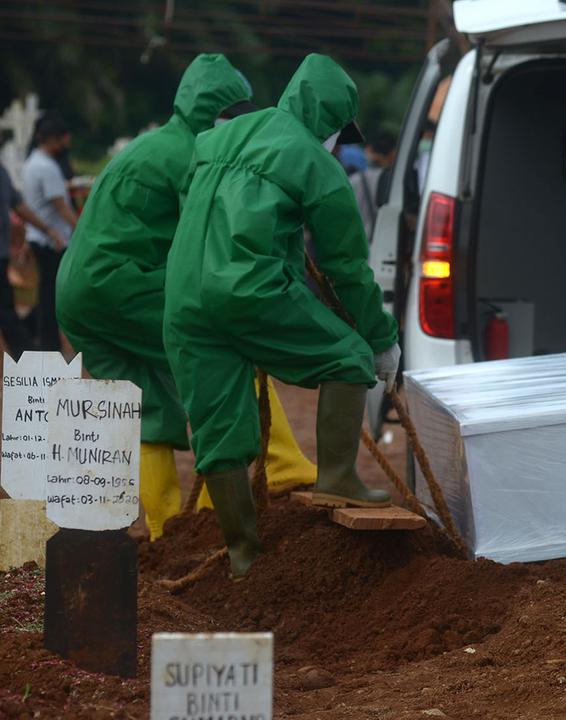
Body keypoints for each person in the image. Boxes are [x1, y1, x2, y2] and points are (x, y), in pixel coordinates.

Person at [56, 54, 321, 541]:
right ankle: (275, 468)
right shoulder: (195, 154)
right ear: (219, 112)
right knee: (226, 349)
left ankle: (166, 534)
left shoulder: (154, 144)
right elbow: (214, 242)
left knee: (147, 406)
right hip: (124, 284)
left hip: (78, 294)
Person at [164, 54, 400, 578]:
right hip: (247, 290)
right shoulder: (319, 165)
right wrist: (381, 339)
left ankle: (245, 556)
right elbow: (347, 268)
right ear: (333, 123)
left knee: (218, 426)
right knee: (349, 358)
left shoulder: (219, 136)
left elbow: (207, 208)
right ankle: (338, 477)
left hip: (182, 297)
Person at [21, 114, 76, 352]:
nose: (66, 144)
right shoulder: (47, 167)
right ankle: (48, 344)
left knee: (46, 291)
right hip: (53, 239)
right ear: (53, 139)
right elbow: (60, 207)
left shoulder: (33, 163)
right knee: (52, 296)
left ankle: (43, 339)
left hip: (39, 237)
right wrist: (82, 230)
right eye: (64, 139)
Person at [0, 165, 62, 356]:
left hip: (1, 254)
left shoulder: (2, 171)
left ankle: (28, 359)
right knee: (5, 311)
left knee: (6, 309)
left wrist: (46, 229)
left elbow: (18, 205)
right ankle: (29, 358)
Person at [350, 130, 397, 241]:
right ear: (393, 154)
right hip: (385, 245)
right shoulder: (395, 182)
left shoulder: (353, 180)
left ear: (369, 151)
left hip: (358, 244)